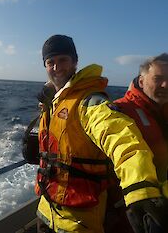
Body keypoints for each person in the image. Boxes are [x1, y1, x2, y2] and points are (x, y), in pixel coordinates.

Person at [23, 34, 168, 233]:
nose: (57, 68)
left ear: (75, 62)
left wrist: (141, 189)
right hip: (46, 212)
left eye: (63, 60)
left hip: (77, 223)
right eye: (51, 62)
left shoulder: (89, 101)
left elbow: (122, 139)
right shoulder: (52, 101)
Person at [111, 54, 168, 233]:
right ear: (141, 81)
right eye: (158, 79)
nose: (165, 85)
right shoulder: (119, 113)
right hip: (134, 213)